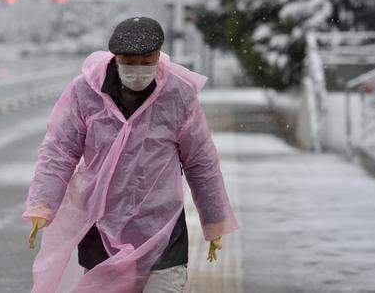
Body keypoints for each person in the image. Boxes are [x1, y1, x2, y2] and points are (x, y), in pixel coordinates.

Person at [22, 16, 239, 292]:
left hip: (162, 228)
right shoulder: (86, 92)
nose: (138, 69)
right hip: (101, 225)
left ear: (159, 56)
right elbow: (59, 150)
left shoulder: (177, 94)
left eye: (146, 61)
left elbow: (200, 161)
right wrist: (43, 203)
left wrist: (214, 219)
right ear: (115, 58)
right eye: (129, 61)